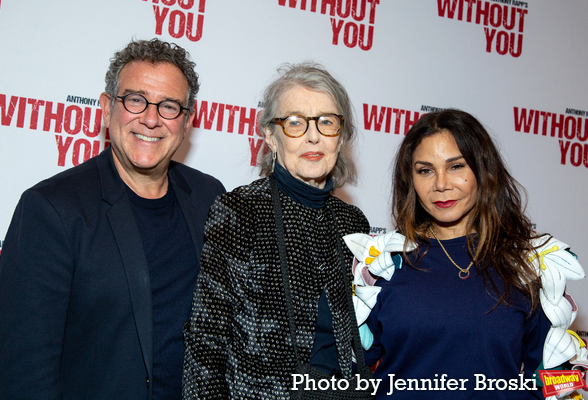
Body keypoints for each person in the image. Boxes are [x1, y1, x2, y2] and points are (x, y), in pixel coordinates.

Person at [0, 38, 225, 400]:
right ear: (105, 108)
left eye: (169, 106)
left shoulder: (211, 197)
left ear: (187, 121)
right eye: (135, 100)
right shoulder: (51, 209)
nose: (150, 118)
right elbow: (23, 373)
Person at [343, 109, 586, 400]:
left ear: (483, 170)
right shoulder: (382, 264)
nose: (441, 184)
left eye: (456, 166)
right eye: (425, 170)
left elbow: (554, 380)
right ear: (411, 181)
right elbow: (346, 375)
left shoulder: (531, 265)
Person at [183, 62, 373, 399]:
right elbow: (206, 341)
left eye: (327, 122)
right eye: (296, 122)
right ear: (271, 136)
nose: (313, 136)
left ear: (341, 137)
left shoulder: (352, 222)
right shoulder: (240, 211)